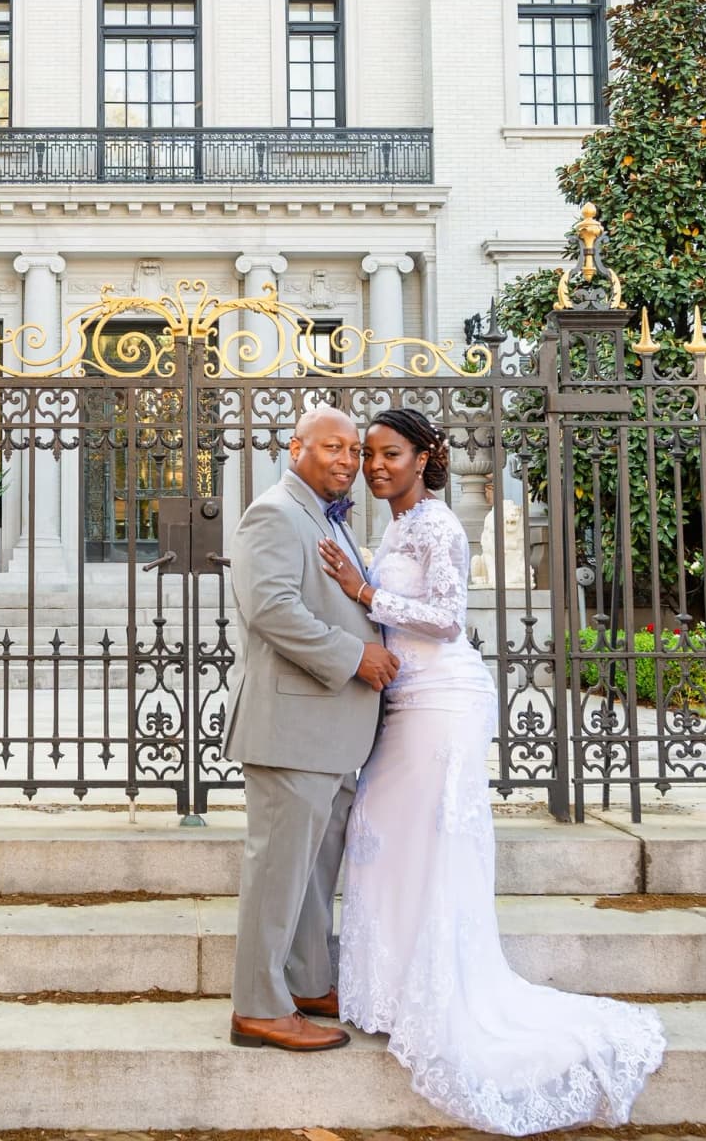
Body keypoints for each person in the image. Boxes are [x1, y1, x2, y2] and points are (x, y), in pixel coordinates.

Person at [317, 407, 667, 1133]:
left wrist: (362, 591)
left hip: (444, 699)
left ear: (423, 458)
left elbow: (447, 616)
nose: (375, 466)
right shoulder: (395, 525)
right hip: (405, 698)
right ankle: (388, 993)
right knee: (381, 837)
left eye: (389, 455)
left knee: (431, 844)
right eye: (369, 456)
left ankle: (436, 999)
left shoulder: (441, 524)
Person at [224, 403, 400, 1052]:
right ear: (295, 447)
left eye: (353, 452)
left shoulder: (322, 515)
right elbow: (271, 608)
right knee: (277, 871)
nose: (347, 461)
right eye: (333, 448)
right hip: (291, 727)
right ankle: (259, 1007)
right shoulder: (273, 512)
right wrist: (356, 656)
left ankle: (305, 980)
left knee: (312, 871)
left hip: (330, 732)